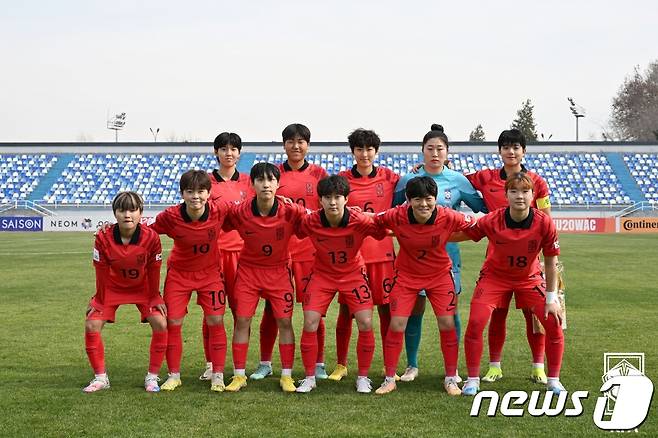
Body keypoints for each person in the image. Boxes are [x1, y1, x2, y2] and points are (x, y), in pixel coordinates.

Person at [393, 124, 485, 382]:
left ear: (447, 152)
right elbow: (390, 211)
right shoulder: (407, 181)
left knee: (450, 313)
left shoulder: (458, 180)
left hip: (448, 259)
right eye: (430, 149)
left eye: (440, 149)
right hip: (413, 260)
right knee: (414, 311)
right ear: (422, 151)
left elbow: (483, 207)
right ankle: (412, 365)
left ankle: (452, 370)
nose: (435, 153)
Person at [460, 172, 564, 395]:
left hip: (529, 278)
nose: (520, 196)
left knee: (553, 322)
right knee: (476, 322)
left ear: (533, 195)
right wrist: (429, 232)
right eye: (514, 191)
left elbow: (550, 261)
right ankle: (472, 379)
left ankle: (553, 380)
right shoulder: (492, 219)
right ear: (506, 195)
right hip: (494, 278)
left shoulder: (544, 222)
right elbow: (466, 233)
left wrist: (551, 298)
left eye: (525, 191)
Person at [374, 177, 477, 395]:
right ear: (408, 200)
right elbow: (373, 221)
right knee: (397, 324)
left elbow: (478, 225)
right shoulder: (396, 215)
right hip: (406, 277)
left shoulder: (448, 216)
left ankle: (451, 378)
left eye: (428, 199)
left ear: (435, 199)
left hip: (440, 277)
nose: (423, 204)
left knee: (447, 323)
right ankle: (389, 379)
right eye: (417, 199)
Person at [465, 128, 552, 385]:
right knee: (497, 314)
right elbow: (455, 179)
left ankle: (538, 366)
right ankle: (495, 366)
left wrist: (547, 254)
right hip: (498, 259)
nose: (511, 152)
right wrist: (430, 168)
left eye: (516, 147)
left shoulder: (537, 182)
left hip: (530, 261)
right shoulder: (485, 178)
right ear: (499, 151)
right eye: (506, 147)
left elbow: (546, 218)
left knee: (534, 316)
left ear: (524, 151)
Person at [250, 123, 330, 381]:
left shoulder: (319, 174)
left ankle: (318, 363)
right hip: (278, 253)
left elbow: (326, 211)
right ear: (284, 145)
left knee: (313, 310)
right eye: (291, 141)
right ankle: (265, 363)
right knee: (271, 310)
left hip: (309, 252)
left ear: (308, 145)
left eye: (301, 141)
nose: (296, 146)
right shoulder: (272, 175)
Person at [222, 163, 308, 393]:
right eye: (260, 180)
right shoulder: (240, 211)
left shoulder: (291, 211)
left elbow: (316, 220)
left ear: (278, 184)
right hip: (248, 272)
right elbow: (218, 219)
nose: (266, 184)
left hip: (279, 272)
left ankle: (286, 376)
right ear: (252, 184)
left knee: (285, 322)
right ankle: (239, 375)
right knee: (242, 320)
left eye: (271, 180)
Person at [296, 175, 385, 393]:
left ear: (346, 199)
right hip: (322, 275)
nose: (333, 202)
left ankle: (363, 377)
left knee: (365, 322)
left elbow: (382, 230)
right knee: (310, 322)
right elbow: (297, 229)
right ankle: (309, 377)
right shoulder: (311, 221)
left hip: (353, 274)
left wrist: (371, 216)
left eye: (338, 197)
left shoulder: (359, 220)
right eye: (327, 197)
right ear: (320, 200)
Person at [150, 170, 231, 392]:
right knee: (173, 323)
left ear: (209, 193)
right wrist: (111, 229)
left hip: (210, 274)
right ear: (182, 194)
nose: (196, 196)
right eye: (190, 191)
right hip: (179, 276)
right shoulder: (170, 216)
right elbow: (145, 231)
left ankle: (217, 375)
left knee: (216, 320)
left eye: (201, 191)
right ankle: (174, 375)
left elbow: (247, 213)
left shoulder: (220, 210)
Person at [330, 128, 399, 381]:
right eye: (359, 149)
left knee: (386, 311)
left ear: (376, 151)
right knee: (346, 312)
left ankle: (389, 366)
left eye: (369, 149)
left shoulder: (390, 178)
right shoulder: (341, 181)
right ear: (353, 151)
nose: (365, 154)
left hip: (382, 256)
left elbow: (414, 189)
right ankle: (341, 364)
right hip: (352, 258)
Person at [83, 191, 167, 393]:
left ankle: (152, 377)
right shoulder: (103, 237)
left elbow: (154, 269)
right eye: (122, 210)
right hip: (112, 288)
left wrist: (155, 297)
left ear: (140, 213)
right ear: (115, 213)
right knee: (92, 323)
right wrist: (99, 299)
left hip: (142, 288)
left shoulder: (151, 237)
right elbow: (100, 270)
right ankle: (100, 378)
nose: (127, 215)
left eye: (132, 210)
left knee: (161, 322)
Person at [199, 132, 253, 381]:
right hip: (214, 255)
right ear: (216, 152)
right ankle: (211, 364)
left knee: (242, 312)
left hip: (242, 255)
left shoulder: (249, 183)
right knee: (212, 313)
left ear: (239, 153)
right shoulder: (205, 183)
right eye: (223, 149)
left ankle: (239, 366)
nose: (228, 153)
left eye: (233, 149)